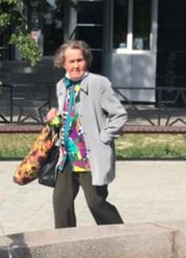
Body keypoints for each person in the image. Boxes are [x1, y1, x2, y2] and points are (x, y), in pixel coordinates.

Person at [46, 39, 127, 228]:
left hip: (90, 156)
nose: (76, 65)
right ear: (63, 63)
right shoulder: (61, 86)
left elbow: (119, 115)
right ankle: (65, 243)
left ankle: (120, 235)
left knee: (96, 202)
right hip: (66, 156)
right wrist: (55, 117)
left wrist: (103, 138)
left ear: (86, 60)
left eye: (79, 60)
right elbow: (69, 117)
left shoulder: (99, 83)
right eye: (71, 61)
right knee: (61, 204)